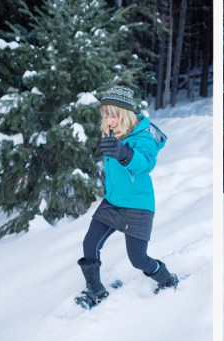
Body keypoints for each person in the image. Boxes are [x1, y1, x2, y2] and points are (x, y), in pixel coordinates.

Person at [75, 86, 178, 309]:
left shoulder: (143, 136)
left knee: (138, 259)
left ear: (125, 113)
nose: (108, 120)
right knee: (89, 244)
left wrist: (124, 153)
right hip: (113, 202)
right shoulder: (112, 133)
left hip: (138, 206)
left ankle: (167, 279)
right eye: (105, 114)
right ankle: (96, 290)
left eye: (113, 114)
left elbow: (145, 165)